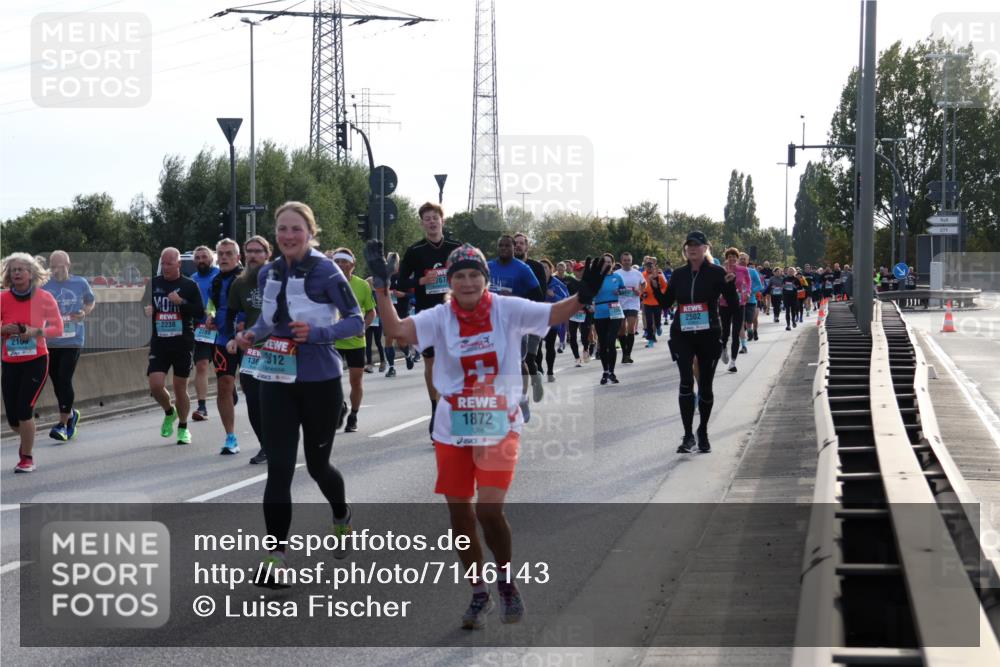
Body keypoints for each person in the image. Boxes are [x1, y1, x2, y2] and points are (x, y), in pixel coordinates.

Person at [366, 239, 607, 630]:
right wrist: (381, 286)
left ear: (484, 278)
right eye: (458, 275)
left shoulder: (507, 310)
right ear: (450, 279)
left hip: (498, 422)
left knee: (489, 511)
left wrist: (583, 295)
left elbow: (553, 313)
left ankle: (506, 581)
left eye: (474, 274)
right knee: (460, 517)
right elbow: (394, 330)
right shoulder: (439, 316)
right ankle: (479, 592)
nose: (466, 282)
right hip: (452, 426)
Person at [233, 201, 363, 574]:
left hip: (320, 381)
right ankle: (276, 557)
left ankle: (341, 515)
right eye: (282, 229)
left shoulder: (327, 272)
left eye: (296, 229)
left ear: (310, 232)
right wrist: (248, 335)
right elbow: (268, 324)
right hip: (277, 379)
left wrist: (319, 333)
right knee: (280, 469)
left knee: (318, 466)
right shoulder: (267, 273)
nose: (289, 236)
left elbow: (356, 322)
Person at [649, 232, 738, 454]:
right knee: (686, 382)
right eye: (689, 245)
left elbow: (734, 305)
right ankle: (688, 435)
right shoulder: (679, 274)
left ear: (705, 248)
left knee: (705, 386)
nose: (692, 249)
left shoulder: (717, 272)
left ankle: (703, 432)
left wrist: (730, 286)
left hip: (708, 334)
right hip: (683, 334)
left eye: (697, 245)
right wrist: (656, 288)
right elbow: (667, 303)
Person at [397, 203, 462, 439]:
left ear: (442, 220)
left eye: (435, 218)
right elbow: (400, 282)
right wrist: (421, 282)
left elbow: (476, 273)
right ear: (422, 223)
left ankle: (453, 407)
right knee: (432, 364)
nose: (432, 222)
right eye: (427, 219)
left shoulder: (457, 248)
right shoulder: (415, 251)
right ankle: (436, 411)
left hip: (456, 313)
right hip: (428, 314)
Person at [2, 253, 63, 472]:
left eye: (20, 269)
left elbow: (58, 329)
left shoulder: (44, 297)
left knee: (24, 409)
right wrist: (3, 330)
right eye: (13, 270)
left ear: (31, 273)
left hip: (36, 360)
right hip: (10, 361)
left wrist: (35, 331)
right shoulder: (2, 299)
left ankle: (26, 457)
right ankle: (26, 439)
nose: (16, 273)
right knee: (13, 420)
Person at [142, 248, 205, 445]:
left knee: (180, 388)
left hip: (182, 342)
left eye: (170, 263)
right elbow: (142, 306)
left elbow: (199, 312)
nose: (166, 267)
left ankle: (183, 427)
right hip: (160, 342)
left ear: (178, 264)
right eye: (163, 263)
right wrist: (147, 310)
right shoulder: (154, 284)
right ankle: (170, 412)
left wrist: (182, 302)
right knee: (156, 384)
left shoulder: (189, 285)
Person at [226, 235, 271, 464]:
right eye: (249, 251)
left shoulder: (279, 278)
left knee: (277, 400)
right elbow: (231, 314)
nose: (253, 255)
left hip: (279, 349)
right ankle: (266, 446)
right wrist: (234, 337)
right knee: (253, 400)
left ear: (267, 254)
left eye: (258, 251)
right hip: (251, 352)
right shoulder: (239, 283)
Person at [42, 250, 96, 441]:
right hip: (50, 341)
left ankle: (63, 425)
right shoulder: (44, 284)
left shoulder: (80, 283)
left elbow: (91, 301)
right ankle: (72, 414)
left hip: (72, 339)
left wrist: (84, 312)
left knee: (64, 378)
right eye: (53, 266)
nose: (57, 270)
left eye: (61, 266)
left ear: (68, 264)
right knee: (57, 382)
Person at [330, 248, 376, 433]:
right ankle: (340, 405)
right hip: (333, 340)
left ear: (353, 264)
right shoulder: (327, 283)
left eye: (344, 261)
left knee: (356, 382)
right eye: (337, 261)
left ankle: (353, 415)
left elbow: (371, 311)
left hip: (356, 342)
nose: (340, 265)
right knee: (331, 381)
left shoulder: (362, 285)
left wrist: (362, 328)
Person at [207, 238, 243, 455]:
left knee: (254, 388)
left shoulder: (247, 278)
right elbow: (210, 303)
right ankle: (230, 437)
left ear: (238, 257)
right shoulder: (216, 280)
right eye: (220, 254)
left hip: (249, 339)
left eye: (229, 253)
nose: (224, 258)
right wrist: (210, 315)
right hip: (222, 339)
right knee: (224, 385)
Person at [512, 233, 548, 403]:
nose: (518, 246)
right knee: (516, 359)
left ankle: (535, 379)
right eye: (515, 243)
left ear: (527, 247)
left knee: (529, 357)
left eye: (521, 243)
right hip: (512, 319)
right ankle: (522, 397)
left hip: (533, 317)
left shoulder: (536, 267)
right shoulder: (506, 266)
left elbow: (540, 294)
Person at [190, 246, 219, 421]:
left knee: (222, 369)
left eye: (204, 257)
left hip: (220, 328)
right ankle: (202, 407)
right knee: (201, 365)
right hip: (201, 330)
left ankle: (229, 389)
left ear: (211, 258)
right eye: (198, 257)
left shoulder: (219, 275)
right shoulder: (192, 280)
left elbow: (218, 299)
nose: (201, 260)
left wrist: (213, 314)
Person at [592, 253, 627, 385]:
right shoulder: (596, 278)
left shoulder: (617, 277)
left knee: (611, 341)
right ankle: (605, 371)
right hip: (600, 312)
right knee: (603, 343)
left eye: (609, 262)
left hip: (615, 310)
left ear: (613, 263)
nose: (607, 264)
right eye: (604, 262)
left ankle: (612, 371)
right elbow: (590, 293)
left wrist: (620, 292)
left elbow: (625, 290)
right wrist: (591, 304)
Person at [719, 248, 749, 372]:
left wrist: (747, 292)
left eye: (734, 256)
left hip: (739, 304)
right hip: (724, 304)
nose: (732, 258)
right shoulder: (721, 270)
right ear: (726, 258)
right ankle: (724, 348)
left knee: (736, 333)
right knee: (725, 332)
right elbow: (717, 285)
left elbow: (748, 282)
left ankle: (733, 363)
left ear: (737, 258)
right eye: (729, 256)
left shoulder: (743, 269)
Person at [540, 259, 569, 381]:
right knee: (536, 347)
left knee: (550, 346)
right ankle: (539, 371)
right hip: (537, 319)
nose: (543, 270)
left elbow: (566, 299)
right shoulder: (534, 282)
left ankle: (550, 372)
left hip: (552, 319)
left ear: (551, 270)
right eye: (541, 268)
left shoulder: (557, 284)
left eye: (545, 268)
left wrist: (553, 296)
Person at [383, 252, 411, 378]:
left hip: (402, 310)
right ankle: (391, 368)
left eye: (394, 262)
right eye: (390, 262)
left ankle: (407, 354)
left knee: (401, 341)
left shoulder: (404, 276)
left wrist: (403, 294)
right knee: (388, 339)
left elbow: (414, 294)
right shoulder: (384, 276)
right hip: (388, 311)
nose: (392, 265)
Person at [614, 252, 645, 364]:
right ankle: (624, 353)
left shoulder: (637, 273)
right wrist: (616, 291)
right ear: (621, 261)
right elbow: (613, 286)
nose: (627, 262)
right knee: (621, 329)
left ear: (631, 261)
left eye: (628, 260)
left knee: (631, 328)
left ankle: (627, 354)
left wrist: (640, 291)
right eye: (625, 260)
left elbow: (643, 284)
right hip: (619, 304)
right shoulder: (616, 273)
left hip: (633, 304)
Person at [642, 257, 668, 348]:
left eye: (651, 266)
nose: (649, 268)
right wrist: (642, 293)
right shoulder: (642, 275)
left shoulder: (659, 276)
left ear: (654, 267)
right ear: (645, 267)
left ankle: (658, 326)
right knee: (649, 322)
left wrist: (660, 292)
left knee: (656, 320)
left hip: (657, 302)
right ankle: (650, 340)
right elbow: (639, 286)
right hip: (647, 302)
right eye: (647, 266)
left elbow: (665, 287)